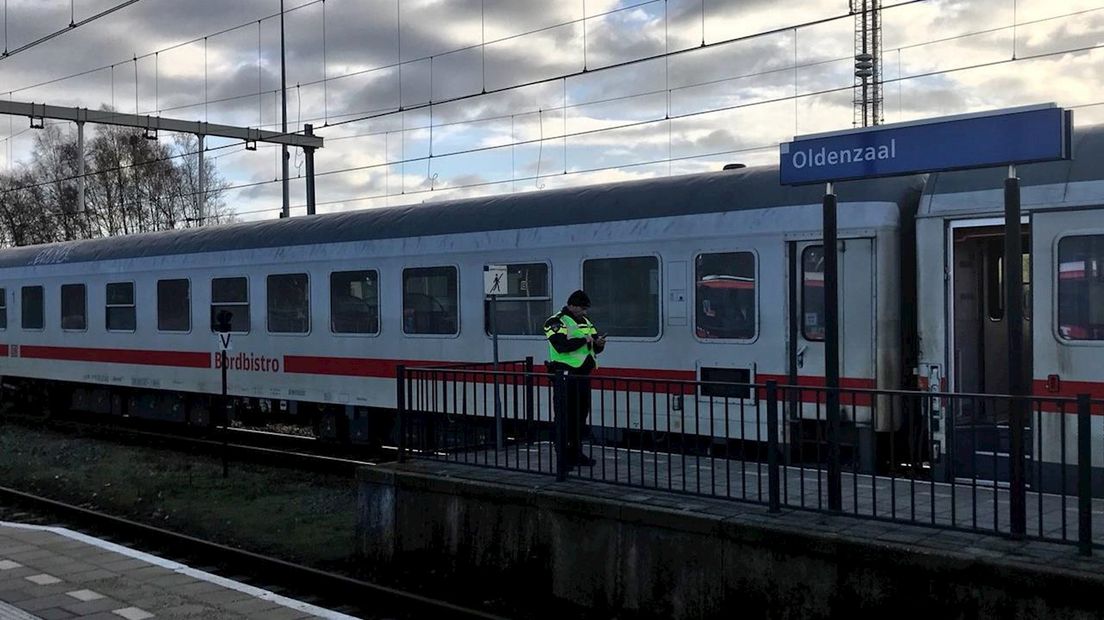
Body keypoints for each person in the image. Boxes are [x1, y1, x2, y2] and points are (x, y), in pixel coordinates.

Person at [544, 290, 606, 469]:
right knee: (564, 417)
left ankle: (577, 454)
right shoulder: (555, 321)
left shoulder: (586, 322)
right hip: (565, 375)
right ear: (571, 305)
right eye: (581, 308)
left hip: (582, 376)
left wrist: (598, 344)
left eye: (586, 309)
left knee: (580, 418)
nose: (584, 312)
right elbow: (561, 346)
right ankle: (563, 459)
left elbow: (593, 347)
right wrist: (585, 339)